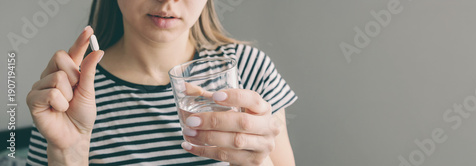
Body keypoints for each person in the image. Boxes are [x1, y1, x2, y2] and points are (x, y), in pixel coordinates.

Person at [25, 0, 297, 165]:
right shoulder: (69, 96)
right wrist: (68, 152)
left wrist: (255, 163)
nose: (168, 1)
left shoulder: (250, 69)